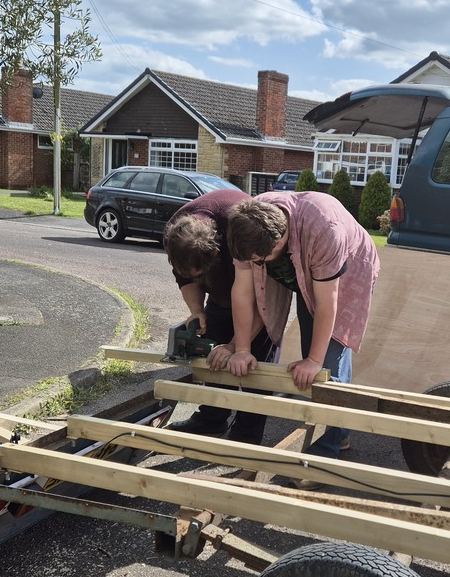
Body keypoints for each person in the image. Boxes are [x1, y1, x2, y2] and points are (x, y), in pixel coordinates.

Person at [213, 191, 380, 461]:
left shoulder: (324, 228)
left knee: (326, 364)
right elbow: (243, 292)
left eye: (262, 260)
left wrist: (314, 360)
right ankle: (339, 429)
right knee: (311, 351)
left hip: (347, 269)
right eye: (254, 261)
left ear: (280, 239)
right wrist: (241, 348)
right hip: (303, 266)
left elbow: (328, 303)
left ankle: (325, 452)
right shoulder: (244, 227)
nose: (257, 265)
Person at [163, 188, 278, 445]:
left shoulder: (240, 228)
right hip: (222, 292)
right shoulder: (176, 235)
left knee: (252, 363)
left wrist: (238, 345)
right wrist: (197, 310)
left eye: (200, 272)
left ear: (215, 254)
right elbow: (184, 276)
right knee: (215, 356)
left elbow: (264, 300)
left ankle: (246, 435)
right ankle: (212, 419)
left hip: (258, 288)